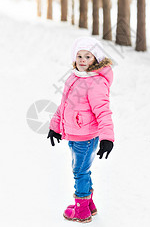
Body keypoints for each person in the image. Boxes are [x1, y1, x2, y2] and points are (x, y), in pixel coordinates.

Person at [47, 37, 115, 223]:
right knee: (83, 170)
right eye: (79, 56)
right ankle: (89, 205)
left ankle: (81, 210)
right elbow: (65, 105)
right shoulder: (75, 76)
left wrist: (107, 138)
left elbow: (103, 112)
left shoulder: (96, 83)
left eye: (88, 56)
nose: (82, 60)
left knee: (80, 172)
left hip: (85, 137)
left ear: (96, 60)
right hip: (77, 135)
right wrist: (55, 127)